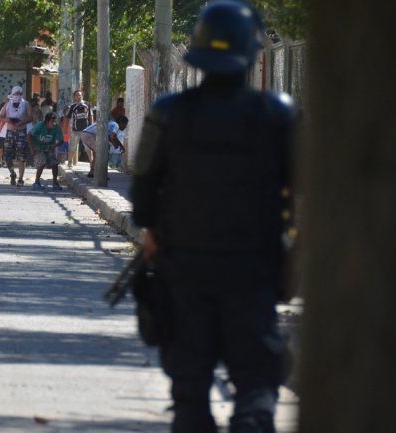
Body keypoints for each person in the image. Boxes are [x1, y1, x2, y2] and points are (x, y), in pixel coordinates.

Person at [130, 2, 295, 432]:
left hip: (183, 270)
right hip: (255, 270)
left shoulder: (168, 113)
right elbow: (306, 194)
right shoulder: (278, 117)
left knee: (189, 395)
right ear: (252, 52)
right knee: (257, 390)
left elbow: (143, 196)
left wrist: (155, 235)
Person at [0, 86, 33, 186]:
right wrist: (7, 120)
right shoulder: (7, 104)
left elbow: (31, 117)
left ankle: (21, 178)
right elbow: (0, 116)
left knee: (21, 157)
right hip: (9, 132)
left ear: (21, 94)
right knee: (7, 157)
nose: (17, 95)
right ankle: (12, 173)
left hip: (21, 132)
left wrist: (22, 122)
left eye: (19, 93)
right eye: (15, 93)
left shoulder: (26, 104)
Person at [28, 112, 64, 190]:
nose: (54, 123)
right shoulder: (39, 126)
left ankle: (55, 182)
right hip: (37, 146)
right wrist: (31, 149)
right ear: (47, 122)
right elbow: (29, 135)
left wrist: (54, 146)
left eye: (55, 121)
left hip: (49, 147)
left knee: (55, 163)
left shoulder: (56, 127)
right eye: (52, 121)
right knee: (42, 162)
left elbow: (61, 140)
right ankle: (37, 182)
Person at [63, 90, 92, 168]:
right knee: (72, 147)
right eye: (76, 95)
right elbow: (67, 118)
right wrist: (65, 130)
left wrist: (91, 128)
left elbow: (90, 116)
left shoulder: (87, 104)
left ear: (82, 95)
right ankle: (70, 163)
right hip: (75, 130)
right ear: (74, 97)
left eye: (80, 95)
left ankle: (92, 164)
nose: (78, 97)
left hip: (86, 131)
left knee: (88, 147)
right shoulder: (72, 106)